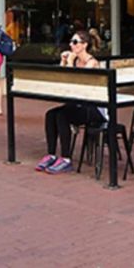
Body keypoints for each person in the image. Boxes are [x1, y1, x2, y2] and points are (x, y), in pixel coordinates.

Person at [35, 30, 102, 175]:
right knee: (51, 115)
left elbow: (76, 83)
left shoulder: (92, 63)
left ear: (84, 45)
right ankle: (51, 154)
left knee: (62, 116)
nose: (71, 45)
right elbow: (61, 81)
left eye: (75, 42)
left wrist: (70, 62)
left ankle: (66, 159)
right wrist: (63, 62)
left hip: (92, 107)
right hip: (76, 104)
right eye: (71, 42)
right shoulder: (75, 61)